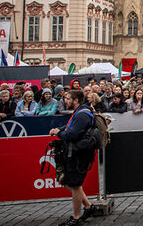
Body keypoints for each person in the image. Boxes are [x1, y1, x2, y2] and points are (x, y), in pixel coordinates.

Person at [48, 90, 97, 226]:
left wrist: (58, 133)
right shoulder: (79, 112)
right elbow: (70, 127)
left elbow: (72, 135)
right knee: (69, 182)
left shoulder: (82, 115)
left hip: (78, 154)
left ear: (76, 100)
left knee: (75, 185)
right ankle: (88, 207)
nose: (65, 101)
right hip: (75, 153)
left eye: (68, 98)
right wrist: (60, 129)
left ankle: (76, 218)